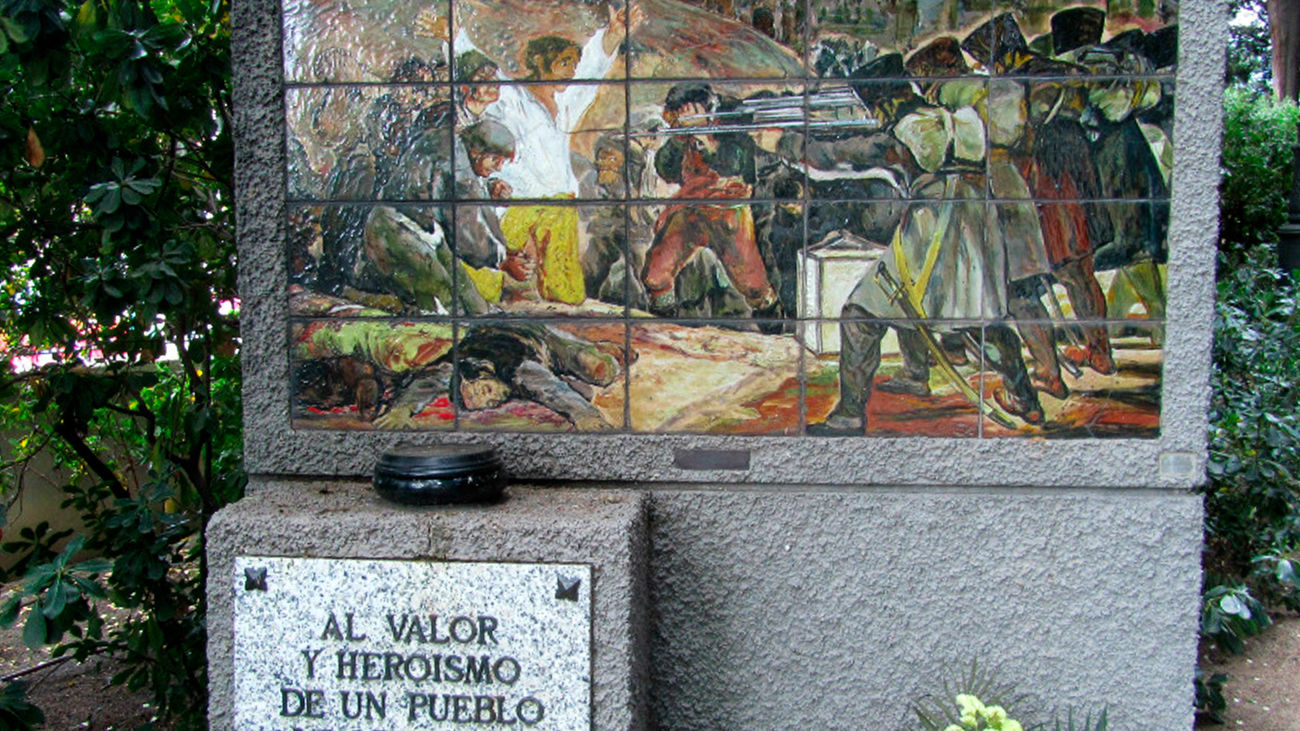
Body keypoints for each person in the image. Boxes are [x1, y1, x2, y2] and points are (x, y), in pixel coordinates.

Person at [476, 5, 645, 305]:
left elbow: (591, 74)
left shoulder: (564, 104)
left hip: (559, 202)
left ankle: (562, 309)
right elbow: (480, 71)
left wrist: (613, 35)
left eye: (573, 64)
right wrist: (453, 39)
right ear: (541, 62)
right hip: (517, 200)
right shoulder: (511, 97)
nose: (571, 71)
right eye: (564, 63)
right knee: (490, 266)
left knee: (565, 288)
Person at [641, 83, 779, 317]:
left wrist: (705, 138)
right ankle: (662, 325)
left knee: (754, 286)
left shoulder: (733, 130)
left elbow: (734, 165)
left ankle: (773, 328)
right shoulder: (682, 136)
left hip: (729, 215)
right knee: (655, 275)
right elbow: (666, 169)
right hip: (691, 212)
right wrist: (678, 138)